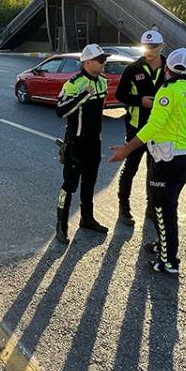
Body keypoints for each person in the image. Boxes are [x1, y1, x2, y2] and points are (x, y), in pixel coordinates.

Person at [109, 48, 186, 275]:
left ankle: (168, 261)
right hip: (185, 157)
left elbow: (152, 126)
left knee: (162, 209)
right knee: (169, 206)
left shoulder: (167, 91)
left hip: (165, 160)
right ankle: (164, 247)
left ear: (167, 69)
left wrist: (126, 149)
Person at [54, 43, 111, 243]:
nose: (105, 62)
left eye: (104, 59)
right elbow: (60, 110)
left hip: (94, 143)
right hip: (75, 143)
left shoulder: (103, 81)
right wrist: (83, 95)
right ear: (87, 62)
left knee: (89, 184)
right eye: (100, 60)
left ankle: (87, 219)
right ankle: (60, 224)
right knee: (68, 186)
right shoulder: (73, 83)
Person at [114, 30, 167, 226]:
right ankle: (124, 209)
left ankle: (151, 207)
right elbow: (120, 95)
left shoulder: (170, 67)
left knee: (154, 171)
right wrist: (140, 101)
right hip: (136, 128)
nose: (149, 50)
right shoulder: (132, 68)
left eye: (153, 47)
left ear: (162, 46)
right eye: (146, 46)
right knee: (130, 169)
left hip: (160, 130)